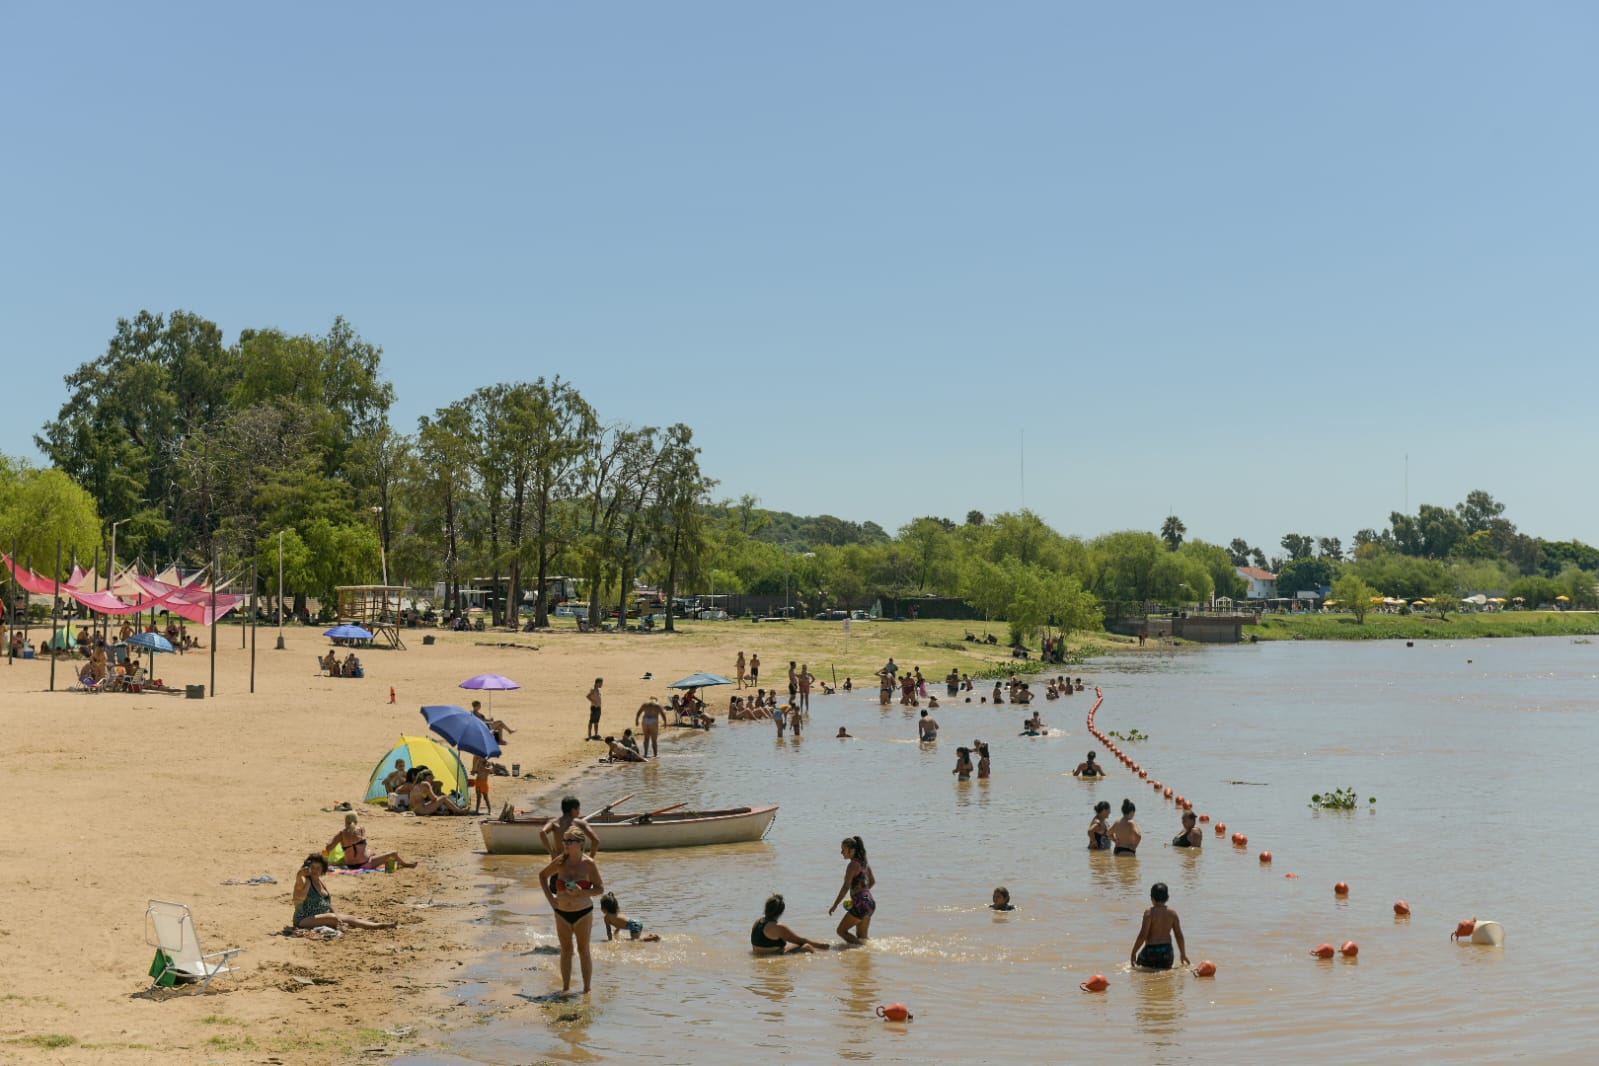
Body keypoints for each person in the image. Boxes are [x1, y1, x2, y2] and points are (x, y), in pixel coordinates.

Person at [539, 830, 604, 993]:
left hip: (583, 912)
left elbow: (600, 889)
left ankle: (587, 990)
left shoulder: (589, 864)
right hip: (561, 913)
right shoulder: (560, 861)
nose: (565, 844)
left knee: (583, 950)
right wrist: (551, 899)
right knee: (566, 951)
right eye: (564, 841)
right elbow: (542, 876)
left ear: (580, 844)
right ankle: (565, 989)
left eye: (569, 841)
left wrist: (581, 892)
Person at [293, 854, 398, 931]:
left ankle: (379, 925)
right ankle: (339, 925)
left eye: (318, 868)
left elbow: (328, 904)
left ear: (322, 870)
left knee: (351, 918)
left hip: (324, 915)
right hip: (303, 920)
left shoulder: (320, 882)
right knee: (333, 919)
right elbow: (299, 894)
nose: (315, 870)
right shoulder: (305, 881)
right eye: (312, 867)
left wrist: (337, 915)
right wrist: (300, 874)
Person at [325, 813, 416, 871]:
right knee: (393, 853)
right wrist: (370, 853)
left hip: (349, 865)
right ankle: (405, 864)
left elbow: (328, 848)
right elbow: (361, 847)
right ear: (356, 821)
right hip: (365, 864)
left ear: (345, 822)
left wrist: (325, 859)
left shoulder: (341, 834)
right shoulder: (361, 829)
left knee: (367, 852)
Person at [1130, 882, 1189, 971]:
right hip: (1167, 952)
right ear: (1167, 898)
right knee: (1165, 973)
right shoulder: (1172, 914)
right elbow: (1179, 935)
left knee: (1138, 971)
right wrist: (1183, 954)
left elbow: (1143, 935)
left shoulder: (1149, 913)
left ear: (1152, 898)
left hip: (1151, 951)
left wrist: (1134, 952)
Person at [828, 836, 876, 944]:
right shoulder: (864, 863)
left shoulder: (852, 865)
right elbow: (872, 881)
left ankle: (861, 949)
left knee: (841, 931)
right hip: (870, 902)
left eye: (843, 849)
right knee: (862, 937)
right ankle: (866, 951)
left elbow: (846, 887)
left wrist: (835, 905)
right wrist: (862, 894)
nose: (841, 852)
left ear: (852, 850)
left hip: (861, 903)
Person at [751, 894, 830, 955]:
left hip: (758, 954)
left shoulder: (757, 922)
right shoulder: (778, 927)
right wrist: (821, 946)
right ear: (780, 912)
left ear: (766, 908)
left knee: (796, 945)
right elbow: (801, 940)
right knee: (807, 947)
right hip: (771, 955)